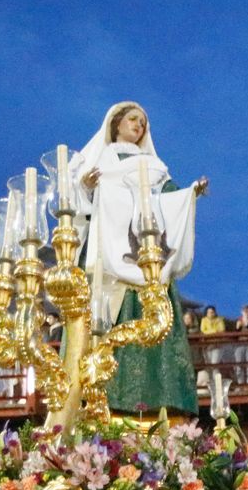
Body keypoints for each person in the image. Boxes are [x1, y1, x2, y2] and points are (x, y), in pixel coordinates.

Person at [71, 102, 206, 417]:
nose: (139, 126)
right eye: (133, 119)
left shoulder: (153, 165)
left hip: (143, 257)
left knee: (154, 318)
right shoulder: (99, 159)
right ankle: (100, 400)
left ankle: (159, 405)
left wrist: (190, 194)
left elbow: (168, 196)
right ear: (116, 123)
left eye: (143, 122)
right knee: (102, 320)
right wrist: (86, 189)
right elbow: (78, 203)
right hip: (107, 256)